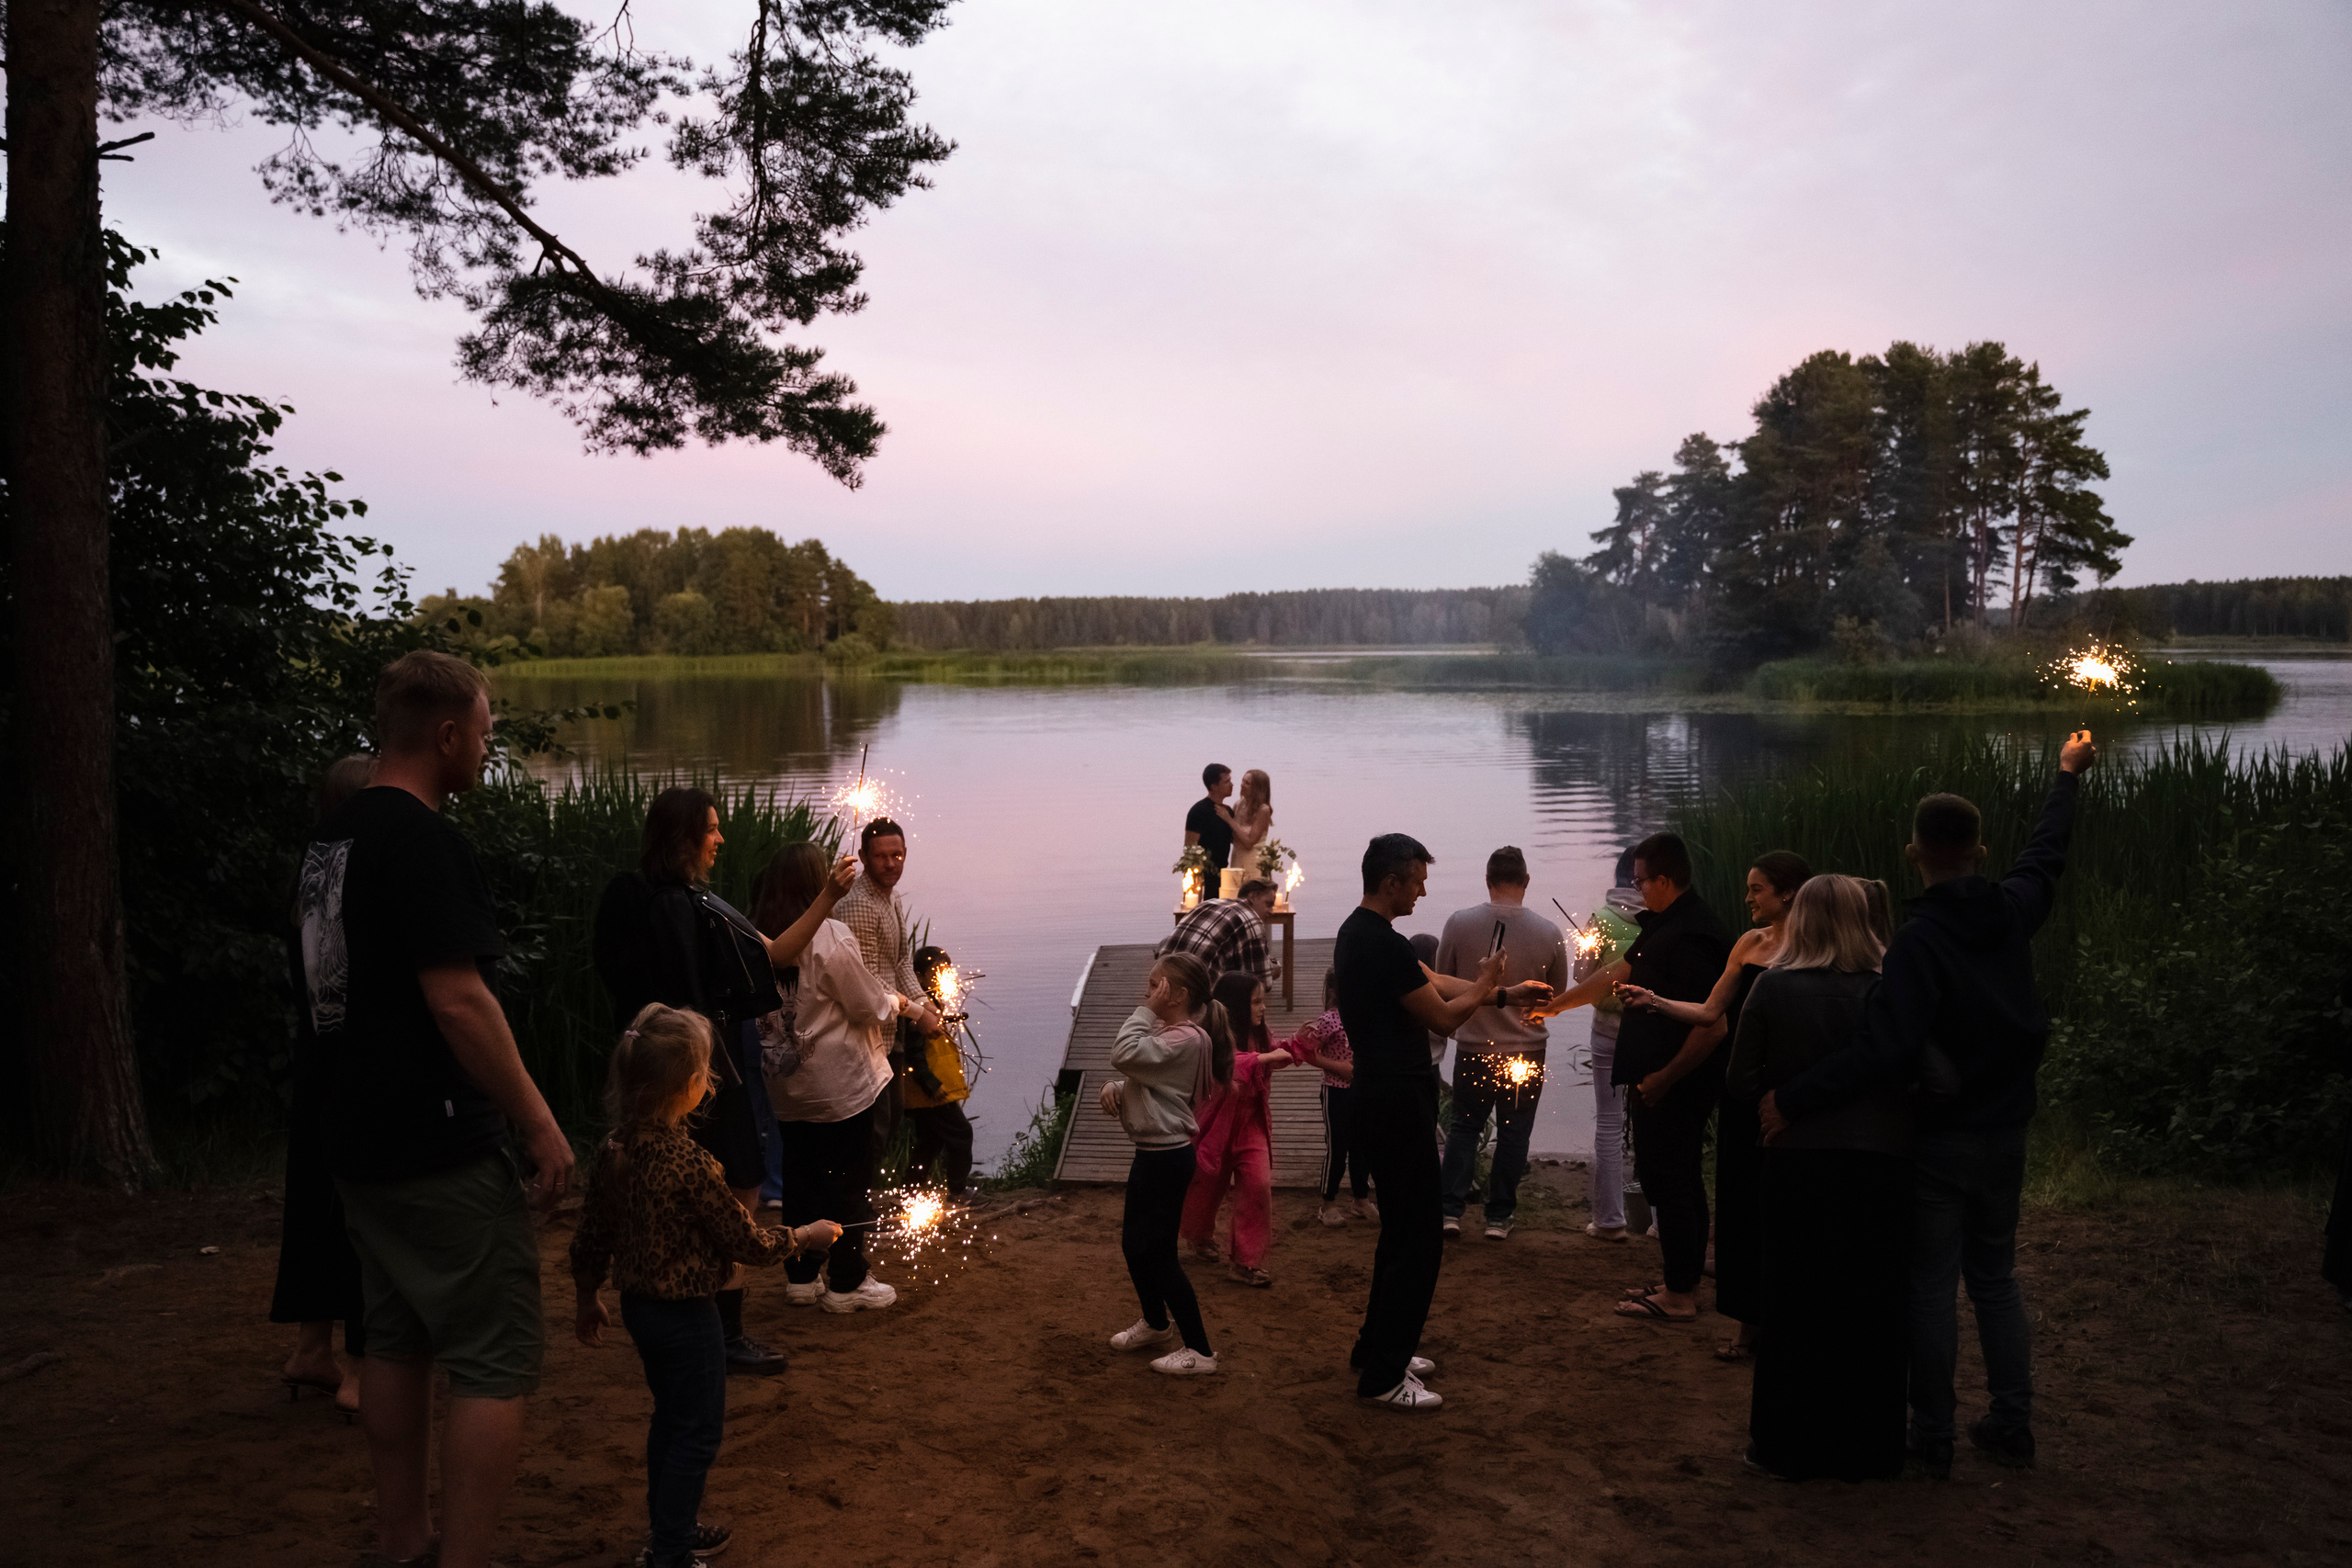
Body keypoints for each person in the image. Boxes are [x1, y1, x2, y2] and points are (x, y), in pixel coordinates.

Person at [1760, 731, 2099, 1477]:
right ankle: (2012, 1418)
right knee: (1996, 1277)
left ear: (1915, 853)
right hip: (2008, 1130)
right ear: (1979, 848)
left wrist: (1792, 1096)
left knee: (1930, 1283)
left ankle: (1935, 1431)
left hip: (1943, 1136)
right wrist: (2066, 776)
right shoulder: (2011, 911)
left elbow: (1882, 1047)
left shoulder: (1916, 941)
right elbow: (2047, 854)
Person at [301, 651, 573, 1568]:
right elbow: (458, 1001)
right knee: (494, 1358)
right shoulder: (423, 842)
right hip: (436, 1142)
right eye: (488, 733)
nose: (489, 749)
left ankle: (404, 1540)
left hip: (356, 1141)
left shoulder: (331, 846)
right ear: (448, 733)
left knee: (395, 1335)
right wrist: (537, 1121)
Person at [571, 1004, 844, 1568]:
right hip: (689, 1317)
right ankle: (670, 1551)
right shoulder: (691, 1163)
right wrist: (805, 1236)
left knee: (671, 1420)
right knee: (697, 1432)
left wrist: (586, 1295)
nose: (711, 1081)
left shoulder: (615, 1150)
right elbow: (746, 1242)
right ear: (689, 1086)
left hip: (640, 1313)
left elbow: (592, 1233)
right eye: (705, 1072)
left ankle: (671, 1527)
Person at [1339, 834, 1552, 1411]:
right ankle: (1384, 1377)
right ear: (1392, 882)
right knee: (1420, 1238)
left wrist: (1503, 992)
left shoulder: (1363, 935)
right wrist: (1485, 988)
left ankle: (1377, 1348)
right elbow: (1445, 1015)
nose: (1423, 890)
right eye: (1417, 880)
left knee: (1401, 1232)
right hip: (1394, 1101)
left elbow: (1432, 981)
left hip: (1381, 1098)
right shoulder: (1380, 945)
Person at [593, 787, 790, 1374]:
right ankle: (723, 1334)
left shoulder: (626, 897)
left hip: (651, 1067)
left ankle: (689, 1322)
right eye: (711, 830)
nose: (720, 840)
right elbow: (765, 961)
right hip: (704, 1072)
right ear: (682, 838)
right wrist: (829, 894)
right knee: (741, 1188)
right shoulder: (682, 906)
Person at [1726, 875, 1908, 1483]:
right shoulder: (1887, 990)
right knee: (1870, 1302)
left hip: (1796, 1159)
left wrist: (1773, 1109)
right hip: (1877, 1161)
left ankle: (1779, 1441)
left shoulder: (1773, 988)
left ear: (1800, 920)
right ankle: (1872, 1445)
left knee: (1792, 1298)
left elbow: (1740, 1077)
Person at [1618, 849, 1811, 1359]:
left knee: (1782, 1206)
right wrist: (1653, 1000)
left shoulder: (1816, 946)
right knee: (1741, 1201)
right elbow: (1709, 1011)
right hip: (1741, 1089)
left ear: (1788, 892)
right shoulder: (1749, 943)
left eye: (1757, 889)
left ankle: (1782, 1320)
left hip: (1789, 1092)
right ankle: (1748, 1328)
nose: (1747, 897)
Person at [1536, 831, 1732, 1326]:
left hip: (1674, 1083)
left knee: (1674, 1180)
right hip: (1657, 1079)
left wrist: (1666, 1077)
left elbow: (1714, 1026)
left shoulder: (1693, 937)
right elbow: (1617, 971)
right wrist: (1557, 1006)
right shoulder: (1666, 925)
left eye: (1643, 880)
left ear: (1665, 880)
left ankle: (1681, 1296)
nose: (1637, 888)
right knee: (1672, 1178)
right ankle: (1677, 1281)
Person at [753, 840, 924, 1315]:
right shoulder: (829, 935)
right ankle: (848, 1282)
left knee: (801, 1178)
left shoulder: (754, 938)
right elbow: (868, 1003)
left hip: (786, 1087)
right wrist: (904, 1004)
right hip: (839, 1088)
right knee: (849, 1183)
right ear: (817, 885)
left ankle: (802, 1277)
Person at [273, 751, 378, 1418]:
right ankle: (362, 1371)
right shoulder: (358, 873)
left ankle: (313, 1347)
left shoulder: (309, 872)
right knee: (364, 1207)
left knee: (316, 1197)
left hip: (315, 1060)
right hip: (356, 1063)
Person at [1100, 950, 1227, 1375]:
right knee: (1134, 1245)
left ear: (1178, 995)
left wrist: (1143, 1011)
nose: (1148, 993)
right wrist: (1120, 1088)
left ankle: (1201, 1351)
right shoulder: (1175, 1036)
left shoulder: (1186, 1037)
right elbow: (1156, 1080)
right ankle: (1156, 1323)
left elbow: (1124, 1051)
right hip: (1152, 1154)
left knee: (1160, 1254)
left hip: (1167, 1158)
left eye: (1156, 987)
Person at [1434, 847, 1569, 1241]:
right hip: (1526, 1050)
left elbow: (1443, 981)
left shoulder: (1458, 923)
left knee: (1464, 1127)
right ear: (1526, 881)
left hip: (1475, 1046)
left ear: (1488, 880)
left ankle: (1450, 1211)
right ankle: (1498, 1216)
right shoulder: (1549, 931)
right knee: (1514, 1131)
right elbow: (1555, 995)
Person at [832, 818, 949, 1176]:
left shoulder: (891, 897)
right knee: (874, 1125)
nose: (891, 863)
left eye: (897, 855)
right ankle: (854, 1199)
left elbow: (898, 961)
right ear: (864, 857)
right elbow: (865, 981)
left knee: (893, 1115)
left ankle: (861, 1192)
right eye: (881, 856)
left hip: (890, 1028)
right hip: (864, 1031)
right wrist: (918, 1014)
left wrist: (925, 1002)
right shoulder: (859, 904)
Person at [1181, 970, 1295, 1286]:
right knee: (1205, 1185)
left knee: (1258, 1185)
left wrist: (1301, 1044)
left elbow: (1275, 1053)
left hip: (1251, 1124)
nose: (1263, 1008)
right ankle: (1199, 1235)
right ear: (1238, 1007)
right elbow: (1230, 1063)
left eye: (1263, 1001)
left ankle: (1245, 1261)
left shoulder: (1260, 1035)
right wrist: (1264, 1057)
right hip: (1216, 1123)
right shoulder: (1213, 1038)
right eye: (1256, 1002)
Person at [1577, 859, 1643, 1244]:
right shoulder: (1664, 919)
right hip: (1654, 1029)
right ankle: (1659, 1221)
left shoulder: (1600, 917)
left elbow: (1582, 979)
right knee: (1654, 1122)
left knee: (1608, 1122)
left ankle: (1609, 1220)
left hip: (1607, 1032)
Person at [1287, 969, 1374, 1226]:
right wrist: (1339, 1067)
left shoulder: (1364, 1016)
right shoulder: (1329, 1021)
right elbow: (1307, 1052)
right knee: (1338, 1149)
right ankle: (1328, 1205)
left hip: (1362, 1091)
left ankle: (1361, 1200)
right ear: (1336, 993)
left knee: (1362, 1147)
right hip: (1336, 1092)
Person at [905, 944, 979, 1201]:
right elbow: (913, 1053)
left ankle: (909, 1192)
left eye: (945, 971)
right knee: (961, 1133)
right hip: (931, 1091)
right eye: (935, 971)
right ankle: (958, 1191)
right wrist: (931, 1084)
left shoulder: (932, 1004)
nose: (941, 977)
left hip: (929, 1090)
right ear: (918, 977)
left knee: (931, 1141)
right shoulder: (917, 1011)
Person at [1159, 877, 1282, 986]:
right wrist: (1273, 971)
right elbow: (1261, 983)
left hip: (1160, 977)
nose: (1272, 911)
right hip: (1193, 993)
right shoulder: (1251, 921)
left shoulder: (1209, 903)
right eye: (1269, 904)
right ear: (1252, 897)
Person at [1182, 763, 1238, 897]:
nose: (1232, 784)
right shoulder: (1198, 811)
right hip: (1204, 875)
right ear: (1214, 786)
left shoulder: (1228, 811)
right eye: (1227, 781)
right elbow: (1190, 847)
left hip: (1224, 874)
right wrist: (1195, 882)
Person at [1228, 769, 1274, 876]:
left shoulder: (1263, 810)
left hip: (1253, 862)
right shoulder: (1238, 805)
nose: (1242, 785)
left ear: (1257, 788)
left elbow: (1249, 843)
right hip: (1237, 857)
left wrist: (1229, 820)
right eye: (1243, 781)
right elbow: (1233, 836)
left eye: (1247, 783)